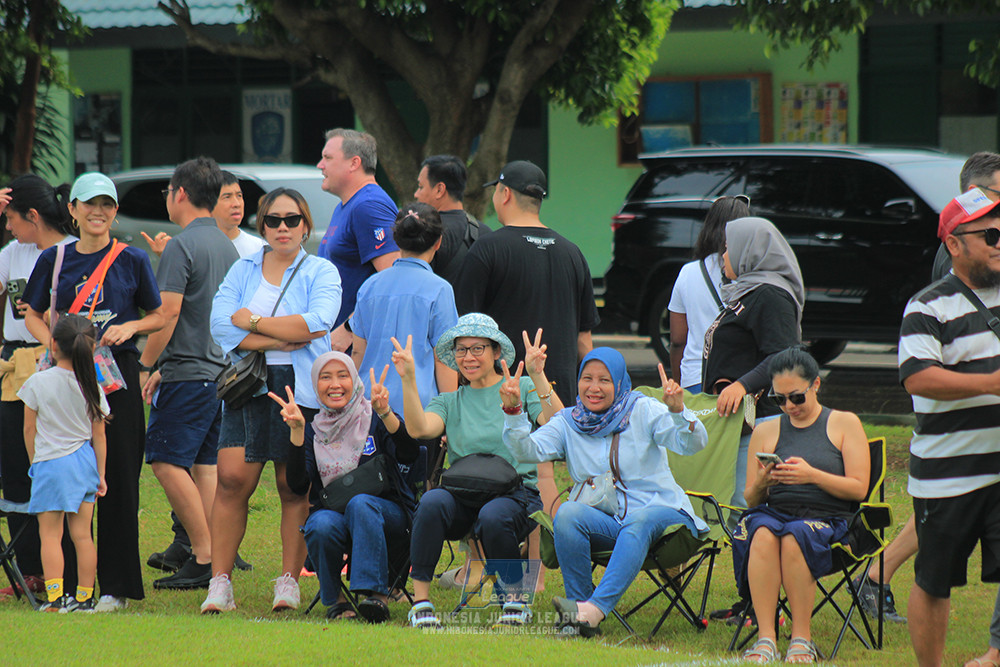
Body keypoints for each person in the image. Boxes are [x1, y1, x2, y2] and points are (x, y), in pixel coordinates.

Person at [23, 172, 165, 611]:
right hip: (64, 375)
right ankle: (63, 585)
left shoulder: (132, 259)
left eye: (106, 204)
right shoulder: (55, 257)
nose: (98, 212)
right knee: (63, 470)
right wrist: (53, 344)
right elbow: (31, 312)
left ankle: (115, 588)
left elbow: (159, 315)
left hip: (115, 376)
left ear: (115, 211)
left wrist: (132, 326)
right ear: (72, 210)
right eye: (89, 204)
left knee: (117, 479)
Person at [502, 347, 708, 637]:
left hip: (665, 517)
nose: (594, 388)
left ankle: (593, 610)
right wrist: (513, 412)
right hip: (613, 524)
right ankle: (579, 612)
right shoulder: (569, 422)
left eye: (604, 380)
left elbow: (691, 444)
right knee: (568, 513)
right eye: (587, 378)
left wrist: (677, 412)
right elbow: (527, 451)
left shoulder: (643, 409)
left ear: (620, 383)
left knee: (639, 520)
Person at [202, 187, 342, 614]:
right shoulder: (243, 268)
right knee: (230, 480)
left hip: (299, 388)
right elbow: (221, 327)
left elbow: (318, 323)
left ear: (305, 224)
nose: (283, 227)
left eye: (292, 219)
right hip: (251, 384)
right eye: (274, 220)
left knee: (292, 484)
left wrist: (257, 323)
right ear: (261, 226)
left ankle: (288, 581)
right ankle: (219, 584)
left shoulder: (321, 270)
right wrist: (285, 335)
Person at [393, 313, 562, 628]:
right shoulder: (450, 401)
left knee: (494, 515)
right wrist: (408, 379)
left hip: (517, 496)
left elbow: (557, 424)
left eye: (477, 348)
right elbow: (419, 428)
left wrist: (538, 375)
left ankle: (514, 601)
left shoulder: (520, 386)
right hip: (463, 496)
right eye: (461, 350)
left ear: (496, 352)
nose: (468, 357)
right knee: (430, 503)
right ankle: (421, 603)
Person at [899, 189, 1000, 667]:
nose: (999, 243)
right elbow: (918, 376)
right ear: (956, 245)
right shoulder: (927, 307)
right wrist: (991, 384)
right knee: (935, 582)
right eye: (991, 234)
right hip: (946, 475)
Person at [145, 171, 261, 574]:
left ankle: (205, 554)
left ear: (179, 194)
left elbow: (169, 312)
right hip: (222, 374)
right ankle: (216, 558)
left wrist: (147, 364)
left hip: (189, 373)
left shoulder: (181, 245)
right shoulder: (226, 245)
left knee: (164, 460)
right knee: (205, 466)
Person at [733, 347, 870, 663]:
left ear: (816, 385)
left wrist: (812, 475)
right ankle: (766, 638)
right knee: (763, 532)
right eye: (779, 399)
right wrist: (764, 482)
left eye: (796, 397)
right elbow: (751, 499)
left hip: (831, 520)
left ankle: (801, 639)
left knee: (796, 536)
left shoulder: (844, 423)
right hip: (775, 513)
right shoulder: (766, 429)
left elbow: (858, 489)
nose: (789, 406)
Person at [274, 352, 419, 622]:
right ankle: (337, 602)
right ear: (315, 386)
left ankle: (375, 596)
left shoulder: (373, 416)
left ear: (354, 380)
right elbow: (297, 486)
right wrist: (295, 433)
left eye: (342, 376)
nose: (335, 384)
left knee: (360, 503)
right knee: (320, 524)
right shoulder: (314, 430)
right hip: (336, 514)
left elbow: (410, 453)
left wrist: (386, 413)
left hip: (390, 515)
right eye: (325, 377)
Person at [456, 160, 600, 409]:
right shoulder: (573, 253)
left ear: (506, 194)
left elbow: (466, 329)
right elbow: (584, 340)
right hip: (559, 403)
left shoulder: (487, 249)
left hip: (504, 399)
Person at [0, 175, 75, 597]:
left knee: (59, 465)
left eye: (11, 218)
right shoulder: (13, 253)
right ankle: (28, 568)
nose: (8, 227)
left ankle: (68, 566)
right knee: (17, 466)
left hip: (61, 362)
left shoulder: (71, 251)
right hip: (17, 364)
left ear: (32, 215)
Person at [19, 314, 109, 612]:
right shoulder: (92, 386)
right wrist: (101, 474)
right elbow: (99, 435)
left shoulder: (37, 382)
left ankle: (55, 598)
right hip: (84, 463)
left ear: (53, 345)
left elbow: (29, 429)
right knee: (83, 536)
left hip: (50, 464)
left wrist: (35, 463)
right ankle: (85, 598)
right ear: (90, 347)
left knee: (50, 535)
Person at [351, 202, 458, 417]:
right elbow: (444, 359)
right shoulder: (439, 289)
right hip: (419, 410)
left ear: (396, 240)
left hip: (369, 404)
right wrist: (451, 415)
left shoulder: (369, 286)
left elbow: (357, 352)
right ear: (438, 242)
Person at [316, 128, 400, 352]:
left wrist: (349, 328)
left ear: (354, 163)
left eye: (328, 158)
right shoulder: (348, 204)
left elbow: (394, 279)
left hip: (360, 349)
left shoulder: (368, 206)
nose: (320, 165)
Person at [668, 195, 751, 391]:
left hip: (695, 378)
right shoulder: (753, 273)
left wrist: (679, 383)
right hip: (741, 382)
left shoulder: (688, 273)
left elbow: (678, 340)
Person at [413, 154, 485, 287]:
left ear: (439, 190)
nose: (416, 194)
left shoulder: (424, 233)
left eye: (421, 186)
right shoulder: (486, 234)